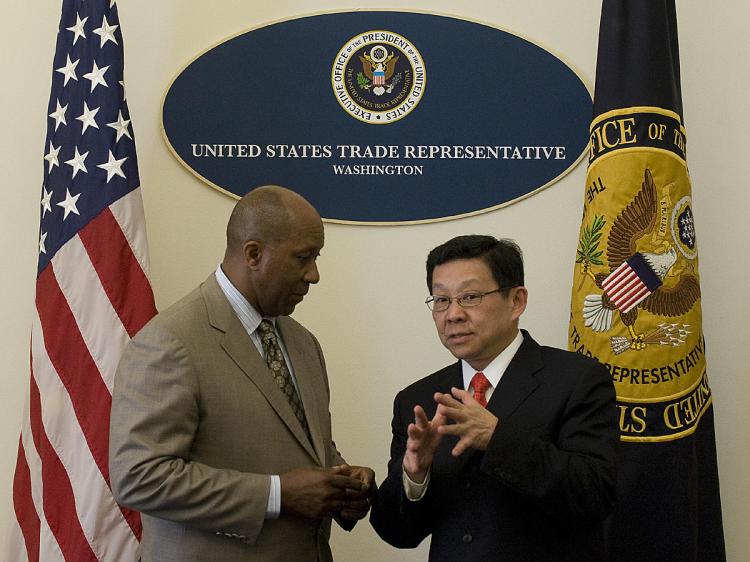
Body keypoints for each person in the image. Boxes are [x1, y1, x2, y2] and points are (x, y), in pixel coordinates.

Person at [110, 185, 375, 562]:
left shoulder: (304, 344)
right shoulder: (171, 342)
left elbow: (297, 444)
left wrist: (341, 480)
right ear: (253, 253)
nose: (313, 275)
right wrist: (277, 494)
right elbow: (140, 477)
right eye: (303, 258)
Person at [370, 235, 618, 561]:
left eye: (470, 297)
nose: (453, 314)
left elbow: (595, 496)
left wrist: (497, 438)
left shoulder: (577, 379)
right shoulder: (417, 400)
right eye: (441, 300)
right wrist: (414, 477)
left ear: (516, 301)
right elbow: (397, 533)